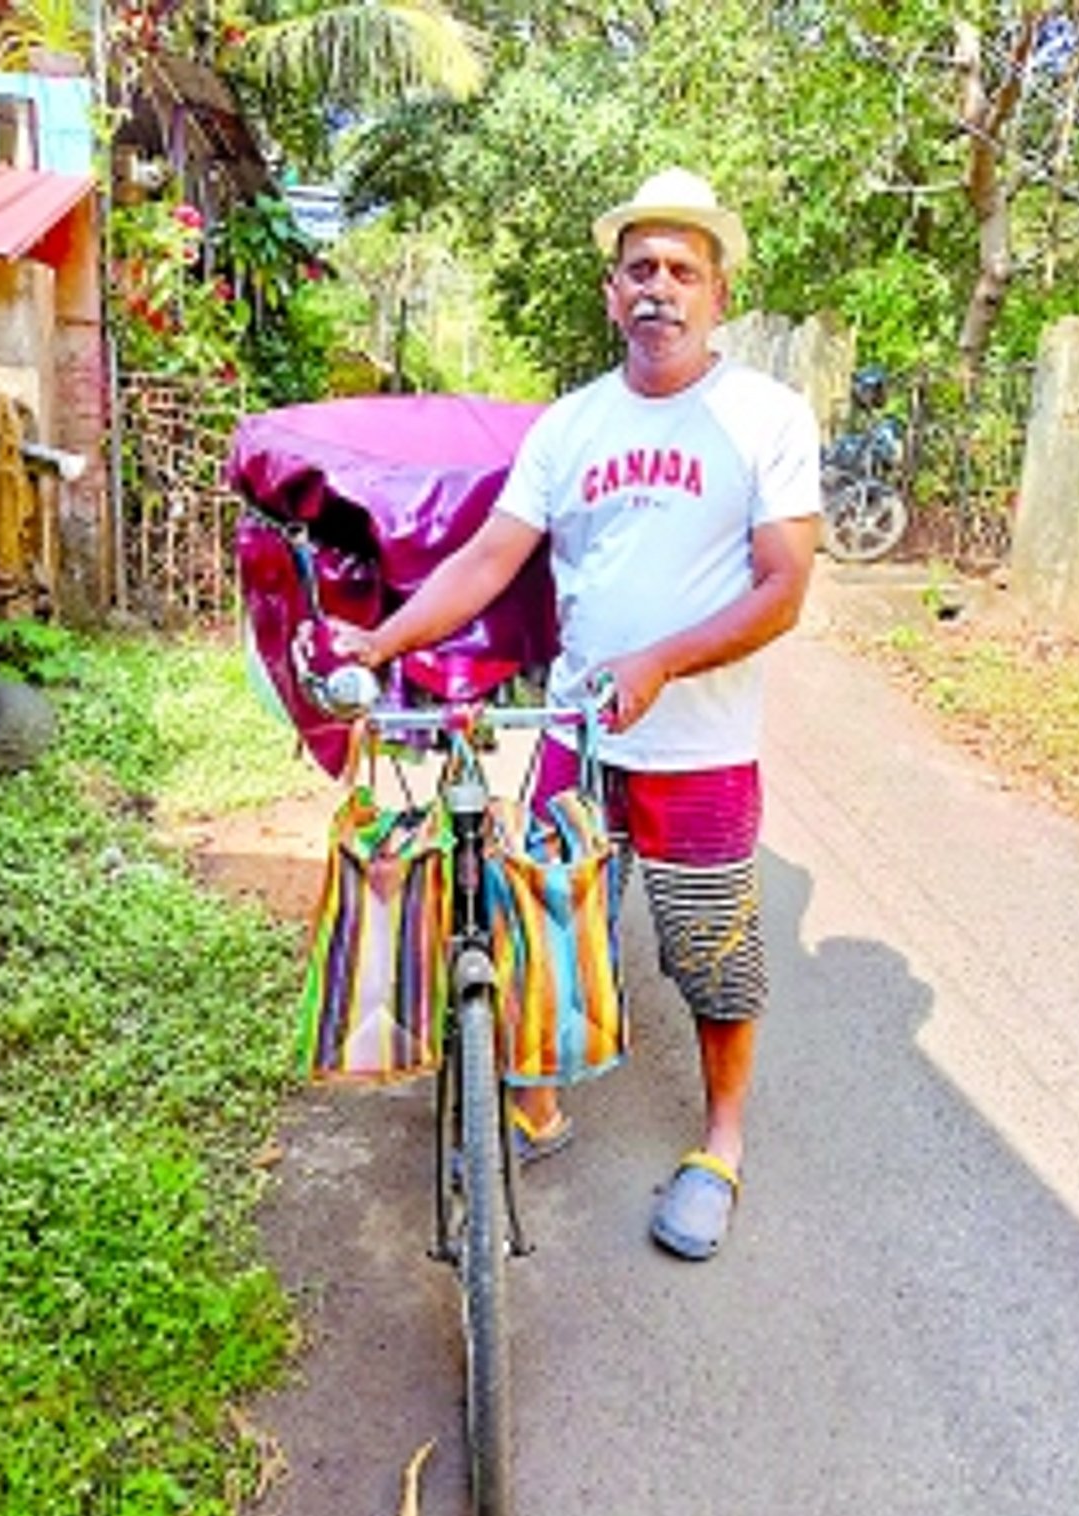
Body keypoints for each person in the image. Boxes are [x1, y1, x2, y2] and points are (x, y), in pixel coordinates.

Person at [327, 166, 821, 1260]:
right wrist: (385, 638)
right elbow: (490, 558)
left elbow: (783, 588)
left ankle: (721, 1144)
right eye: (640, 269)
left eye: (683, 270)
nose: (660, 288)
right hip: (577, 739)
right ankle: (539, 1103)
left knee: (713, 957)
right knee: (549, 919)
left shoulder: (766, 417)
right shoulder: (571, 426)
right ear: (610, 295)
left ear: (719, 295)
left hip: (703, 751)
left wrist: (660, 661)